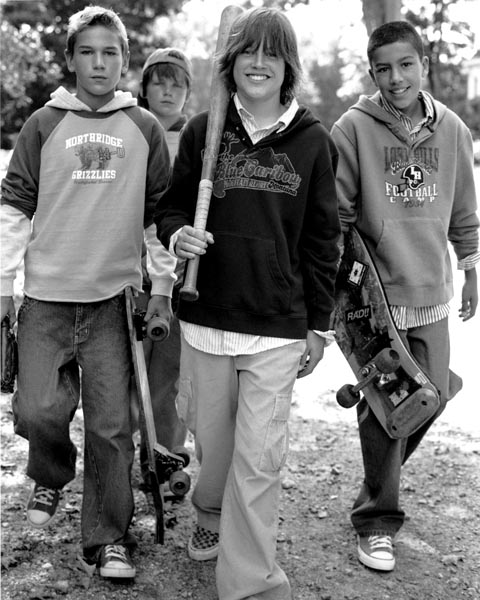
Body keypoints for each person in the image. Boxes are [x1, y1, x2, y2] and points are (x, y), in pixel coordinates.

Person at [155, 7, 341, 600]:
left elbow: (323, 241)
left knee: (259, 460)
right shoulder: (204, 130)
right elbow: (170, 207)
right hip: (206, 317)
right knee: (215, 451)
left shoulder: (313, 141)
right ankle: (210, 510)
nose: (258, 63)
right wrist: (178, 235)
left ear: (289, 67)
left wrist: (318, 326)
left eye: (272, 53)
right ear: (230, 63)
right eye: (247, 52)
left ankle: (251, 584)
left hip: (278, 325)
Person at [0, 5, 175, 579]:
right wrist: (3, 287)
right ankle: (51, 473)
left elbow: (160, 219)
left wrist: (162, 287)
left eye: (110, 53)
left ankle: (108, 539)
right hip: (46, 298)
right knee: (36, 408)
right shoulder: (43, 123)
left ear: (125, 61)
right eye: (88, 52)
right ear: (70, 60)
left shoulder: (144, 128)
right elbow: (14, 208)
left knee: (111, 426)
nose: (99, 63)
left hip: (113, 302)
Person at [330, 20, 479, 572]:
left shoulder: (453, 129)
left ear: (423, 65)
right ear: (372, 73)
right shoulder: (352, 129)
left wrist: (470, 268)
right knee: (387, 409)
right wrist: (341, 295)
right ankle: (376, 521)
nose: (396, 78)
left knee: (430, 396)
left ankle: (378, 478)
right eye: (383, 69)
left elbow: (464, 210)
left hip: (432, 291)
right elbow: (339, 216)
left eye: (406, 65)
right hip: (377, 299)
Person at [135, 48, 192, 469]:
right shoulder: (129, 130)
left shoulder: (198, 141)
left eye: (178, 84)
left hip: (180, 272)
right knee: (127, 371)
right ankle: (123, 455)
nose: (168, 92)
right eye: (160, 83)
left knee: (170, 373)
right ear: (145, 88)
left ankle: (166, 459)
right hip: (130, 269)